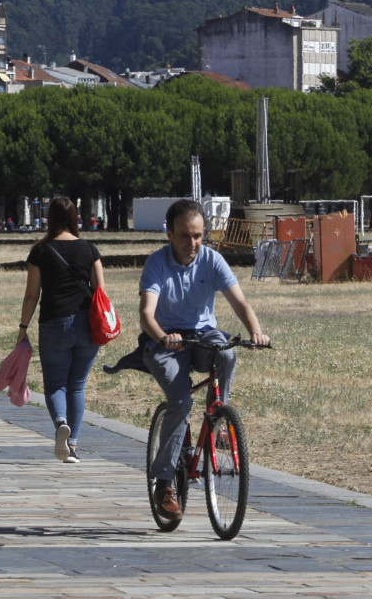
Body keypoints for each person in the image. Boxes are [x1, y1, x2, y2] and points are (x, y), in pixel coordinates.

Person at [140, 199, 270, 521]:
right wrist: (162, 337)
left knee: (226, 351)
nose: (192, 243)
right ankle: (165, 484)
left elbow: (240, 303)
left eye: (198, 236)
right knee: (181, 403)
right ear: (169, 234)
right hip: (165, 340)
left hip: (202, 335)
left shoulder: (212, 260)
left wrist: (255, 332)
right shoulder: (156, 264)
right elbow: (146, 314)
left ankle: (218, 411)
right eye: (185, 236)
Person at [17, 197, 105, 464]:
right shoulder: (90, 249)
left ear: (50, 219)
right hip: (86, 325)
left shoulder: (40, 251)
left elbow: (32, 295)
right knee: (77, 386)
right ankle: (73, 447)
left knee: (55, 384)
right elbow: (100, 290)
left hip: (54, 323)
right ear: (76, 217)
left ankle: (61, 423)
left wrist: (23, 327)